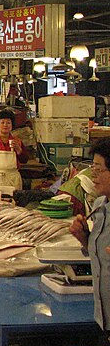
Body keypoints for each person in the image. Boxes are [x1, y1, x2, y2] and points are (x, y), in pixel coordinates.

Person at [69, 139, 110, 332]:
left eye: (99, 169)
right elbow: (102, 258)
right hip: (103, 318)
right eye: (93, 168)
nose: (94, 176)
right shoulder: (100, 206)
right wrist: (85, 238)